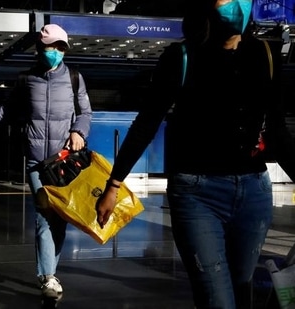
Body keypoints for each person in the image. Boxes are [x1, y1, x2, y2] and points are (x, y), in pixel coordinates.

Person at [96, 1, 295, 308]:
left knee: (242, 289)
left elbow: (277, 133)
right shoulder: (181, 57)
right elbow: (146, 124)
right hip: (197, 193)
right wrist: (113, 184)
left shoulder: (265, 55)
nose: (235, 6)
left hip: (254, 191)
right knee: (217, 299)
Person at [0, 24, 92, 298]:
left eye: (61, 48)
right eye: (52, 47)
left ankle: (51, 271)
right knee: (45, 216)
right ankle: (47, 276)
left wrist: (78, 131)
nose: (56, 53)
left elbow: (85, 112)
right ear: (40, 49)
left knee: (61, 219)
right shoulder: (26, 79)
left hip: (65, 162)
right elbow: (8, 110)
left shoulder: (74, 77)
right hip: (37, 161)